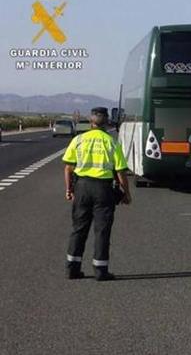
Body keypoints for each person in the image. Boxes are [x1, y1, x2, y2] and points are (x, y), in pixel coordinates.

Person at [62, 107, 131, 281]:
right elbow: (121, 171)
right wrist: (126, 193)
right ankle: (100, 271)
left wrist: (69, 189)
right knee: (102, 230)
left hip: (82, 187)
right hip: (103, 189)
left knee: (79, 228)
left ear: (90, 122)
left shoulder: (78, 139)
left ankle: (72, 269)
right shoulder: (112, 142)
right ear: (107, 123)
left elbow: (68, 168)